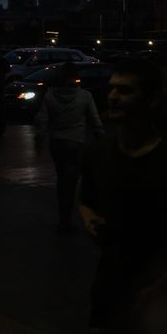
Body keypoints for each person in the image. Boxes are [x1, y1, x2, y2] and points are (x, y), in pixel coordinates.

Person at [78, 58, 167, 334]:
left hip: (159, 295)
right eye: (111, 88)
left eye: (125, 90)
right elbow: (84, 197)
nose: (113, 96)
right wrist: (90, 219)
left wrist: (161, 288)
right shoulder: (99, 153)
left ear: (151, 100)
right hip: (108, 290)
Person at [34, 63, 104, 233]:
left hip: (56, 142)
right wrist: (101, 141)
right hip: (76, 142)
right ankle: (67, 218)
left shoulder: (50, 96)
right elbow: (95, 121)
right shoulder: (85, 96)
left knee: (61, 179)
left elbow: (41, 121)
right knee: (71, 182)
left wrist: (39, 141)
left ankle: (63, 218)